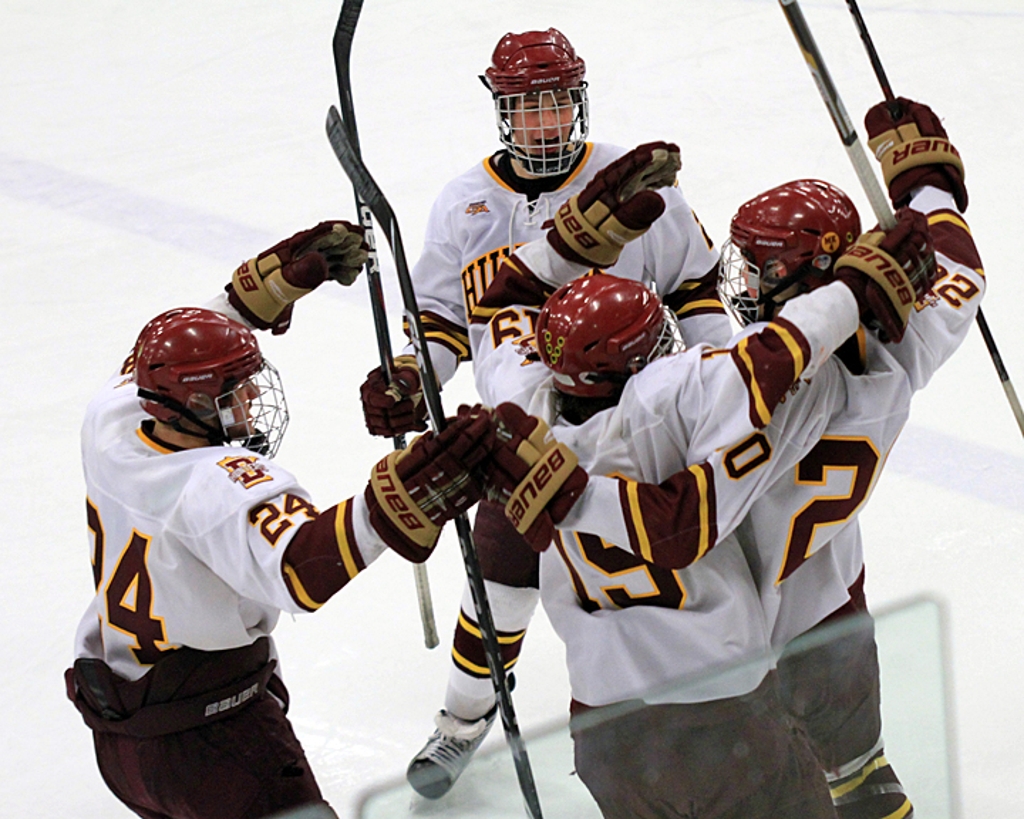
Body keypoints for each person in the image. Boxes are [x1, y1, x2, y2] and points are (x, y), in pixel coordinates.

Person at [475, 98, 976, 819]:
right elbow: (959, 271)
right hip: (829, 611)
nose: (741, 281)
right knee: (862, 782)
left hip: (678, 690)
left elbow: (506, 313)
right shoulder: (885, 355)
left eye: (761, 265)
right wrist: (927, 188)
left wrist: (569, 243)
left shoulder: (613, 407)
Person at [355, 27, 732, 797]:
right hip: (521, 437)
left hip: (638, 427)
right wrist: (409, 373)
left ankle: (716, 709)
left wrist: (720, 382)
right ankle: (464, 718)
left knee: (677, 574)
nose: (545, 123)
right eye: (528, 108)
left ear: (578, 102)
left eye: (558, 104)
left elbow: (695, 287)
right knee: (499, 582)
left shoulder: (632, 183)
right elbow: (438, 321)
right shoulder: (464, 207)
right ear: (502, 112)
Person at [66, 220, 499, 819]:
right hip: (219, 746)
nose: (250, 400)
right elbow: (302, 569)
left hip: (121, 731)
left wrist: (255, 297)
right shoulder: (218, 485)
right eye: (233, 391)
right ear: (193, 404)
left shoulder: (112, 421)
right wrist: (407, 495)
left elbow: (161, 356)